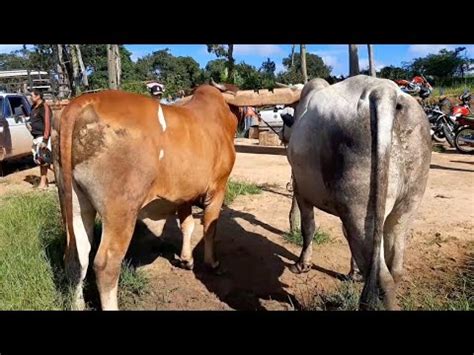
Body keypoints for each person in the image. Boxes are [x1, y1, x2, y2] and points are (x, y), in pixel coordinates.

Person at [27, 89, 52, 189]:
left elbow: (47, 124)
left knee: (43, 160)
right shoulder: (33, 107)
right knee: (42, 160)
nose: (30, 97)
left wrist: (45, 140)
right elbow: (32, 120)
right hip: (36, 137)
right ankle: (46, 182)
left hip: (43, 137)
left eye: (32, 95)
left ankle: (43, 184)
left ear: (38, 96)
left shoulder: (44, 107)